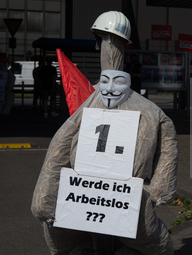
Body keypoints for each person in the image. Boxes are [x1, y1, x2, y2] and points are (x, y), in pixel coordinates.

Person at [31, 11, 177, 255]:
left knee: (67, 237)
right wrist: (160, 192)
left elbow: (59, 148)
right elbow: (168, 145)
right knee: (156, 245)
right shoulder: (149, 110)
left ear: (98, 43)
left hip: (90, 199)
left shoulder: (91, 105)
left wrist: (45, 197)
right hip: (114, 201)